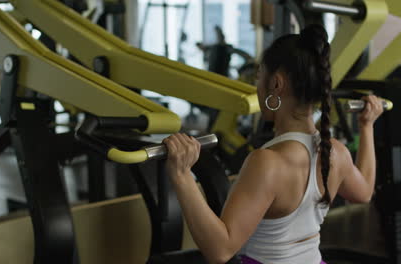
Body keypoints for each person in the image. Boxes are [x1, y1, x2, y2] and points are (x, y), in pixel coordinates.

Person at [163, 24, 384, 264]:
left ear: (276, 84)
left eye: (259, 78)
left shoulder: (267, 162)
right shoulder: (337, 152)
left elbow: (220, 250)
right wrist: (367, 126)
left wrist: (182, 175)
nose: (257, 88)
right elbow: (365, 193)